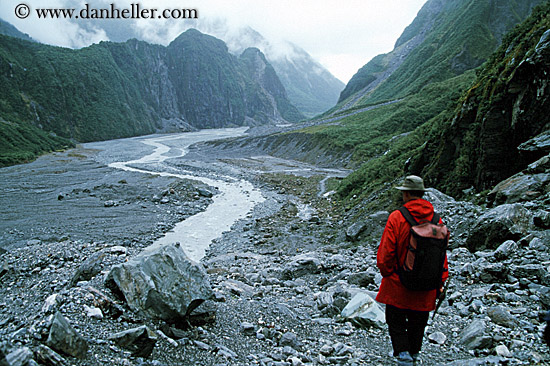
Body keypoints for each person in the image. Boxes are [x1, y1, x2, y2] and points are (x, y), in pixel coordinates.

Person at [376, 175, 448, 366]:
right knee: (419, 323)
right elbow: (441, 256)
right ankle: (414, 354)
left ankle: (402, 355)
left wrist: (389, 274)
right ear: (422, 194)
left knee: (396, 321)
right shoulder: (436, 219)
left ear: (406, 194)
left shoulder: (397, 217)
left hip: (399, 285)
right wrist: (439, 282)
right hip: (426, 287)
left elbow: (385, 256)